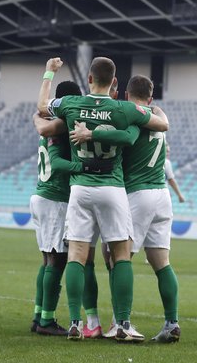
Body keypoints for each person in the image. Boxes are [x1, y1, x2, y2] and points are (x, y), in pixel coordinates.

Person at [37, 56, 169, 341]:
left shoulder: (72, 104)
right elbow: (161, 125)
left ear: (88, 79)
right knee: (121, 255)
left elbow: (42, 107)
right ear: (114, 82)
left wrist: (49, 74)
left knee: (76, 255)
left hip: (80, 188)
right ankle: (121, 323)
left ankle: (76, 323)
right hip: (112, 187)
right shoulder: (123, 108)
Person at [70, 74, 181, 343]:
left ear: (126, 96)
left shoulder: (131, 115)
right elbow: (162, 121)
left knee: (117, 257)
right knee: (161, 262)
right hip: (161, 195)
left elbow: (124, 139)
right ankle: (171, 322)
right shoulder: (157, 115)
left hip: (137, 193)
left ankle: (120, 322)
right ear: (151, 98)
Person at [29, 80, 115, 336]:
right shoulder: (62, 127)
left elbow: (41, 125)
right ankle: (46, 321)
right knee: (58, 260)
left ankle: (38, 315)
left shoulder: (49, 124)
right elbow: (57, 162)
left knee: (47, 260)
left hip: (42, 195)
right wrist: (85, 167)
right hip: (55, 198)